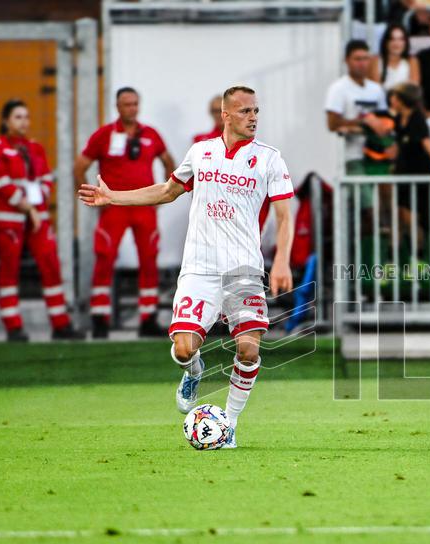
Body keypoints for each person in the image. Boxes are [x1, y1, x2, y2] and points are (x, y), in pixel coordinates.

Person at [79, 85, 295, 449]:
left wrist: (283, 261)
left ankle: (229, 422)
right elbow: (166, 191)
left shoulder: (270, 159)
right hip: (200, 268)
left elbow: (284, 217)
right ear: (226, 115)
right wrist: (113, 197)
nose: (253, 117)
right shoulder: (202, 152)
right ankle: (193, 371)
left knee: (249, 349)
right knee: (183, 347)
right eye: (245, 112)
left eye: (256, 111)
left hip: (243, 269)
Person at [75, 87, 176, 339]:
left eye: (134, 104)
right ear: (117, 107)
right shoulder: (104, 135)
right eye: (125, 104)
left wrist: (166, 193)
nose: (131, 108)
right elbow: (80, 166)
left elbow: (168, 162)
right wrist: (91, 196)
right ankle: (100, 318)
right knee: (105, 257)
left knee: (149, 258)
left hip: (143, 207)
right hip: (114, 208)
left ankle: (148, 318)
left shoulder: (151, 135)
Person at [0, 100, 82, 342]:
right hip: (10, 219)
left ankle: (61, 324)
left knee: (50, 265)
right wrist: (28, 206)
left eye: (26, 117)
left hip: (37, 217)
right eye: (18, 117)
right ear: (5, 120)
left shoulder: (35, 148)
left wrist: (40, 198)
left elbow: (46, 177)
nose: (23, 122)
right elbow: (1, 183)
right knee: (9, 270)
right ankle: (13, 326)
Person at [389, 82, 430, 266]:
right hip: (403, 174)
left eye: (395, 97)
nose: (391, 100)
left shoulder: (417, 119)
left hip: (417, 172)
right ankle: (393, 260)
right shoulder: (399, 119)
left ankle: (419, 259)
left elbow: (428, 145)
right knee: (398, 217)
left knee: (412, 218)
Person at [325, 40, 391, 175]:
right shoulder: (338, 88)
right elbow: (332, 123)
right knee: (364, 195)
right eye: (357, 59)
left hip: (377, 151)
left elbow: (385, 120)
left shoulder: (376, 89)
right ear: (347, 60)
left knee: (386, 193)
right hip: (353, 154)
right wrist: (362, 122)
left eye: (365, 59)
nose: (362, 63)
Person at [369, 24, 420, 91]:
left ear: (406, 42)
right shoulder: (375, 60)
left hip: (405, 99)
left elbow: (413, 89)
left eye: (401, 39)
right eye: (392, 39)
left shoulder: (412, 61)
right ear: (386, 42)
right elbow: (375, 88)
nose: (396, 43)